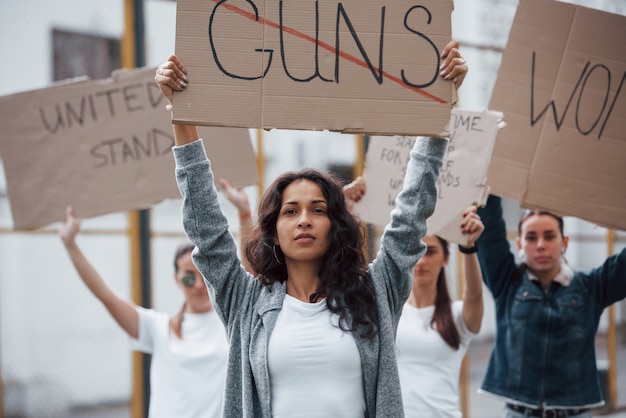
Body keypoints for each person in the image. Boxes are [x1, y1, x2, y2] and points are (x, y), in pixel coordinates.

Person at [155, 39, 467, 417]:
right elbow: (207, 230)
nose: (304, 219)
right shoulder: (245, 300)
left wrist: (439, 107)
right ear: (273, 229)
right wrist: (181, 114)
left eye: (317, 209)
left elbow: (411, 214)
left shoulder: (374, 292)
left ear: (335, 224)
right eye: (290, 211)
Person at [58, 206, 228, 418]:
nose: (198, 285)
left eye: (204, 274)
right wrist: (70, 245)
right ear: (176, 279)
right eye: (189, 276)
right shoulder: (159, 328)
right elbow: (106, 296)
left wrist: (244, 213)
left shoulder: (232, 326)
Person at [476, 195, 626, 418]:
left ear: (564, 242)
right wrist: (492, 180)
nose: (540, 245)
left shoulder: (590, 288)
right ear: (519, 244)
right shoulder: (506, 283)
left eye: (549, 236)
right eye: (531, 237)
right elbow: (490, 233)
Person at [396, 205, 485, 418]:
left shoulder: (457, 317)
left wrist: (468, 247)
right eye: (415, 251)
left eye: (431, 251)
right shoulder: (389, 313)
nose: (421, 260)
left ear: (446, 258)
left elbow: (474, 296)